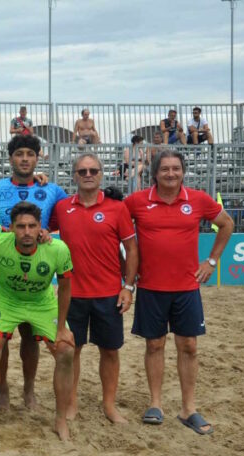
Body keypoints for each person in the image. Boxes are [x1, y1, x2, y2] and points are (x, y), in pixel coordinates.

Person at [124, 149, 233, 435]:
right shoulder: (137, 201)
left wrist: (211, 262)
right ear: (155, 173)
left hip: (186, 288)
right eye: (165, 169)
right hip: (150, 288)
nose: (171, 174)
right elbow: (114, 224)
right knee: (154, 345)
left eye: (176, 168)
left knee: (189, 347)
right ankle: (156, 405)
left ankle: (188, 409)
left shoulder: (198, 199)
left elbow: (227, 224)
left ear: (183, 171)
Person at [49, 154, 139, 425]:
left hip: (109, 294)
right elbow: (39, 229)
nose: (88, 174)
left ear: (101, 174)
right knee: (71, 350)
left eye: (93, 170)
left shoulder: (117, 208)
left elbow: (132, 249)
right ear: (75, 176)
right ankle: (71, 402)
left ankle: (109, 405)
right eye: (82, 170)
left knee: (110, 351)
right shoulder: (62, 207)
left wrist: (129, 287)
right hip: (72, 294)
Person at [0, 201, 74, 439]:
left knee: (65, 351)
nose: (27, 232)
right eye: (20, 226)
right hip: (6, 299)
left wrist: (62, 327)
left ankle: (60, 418)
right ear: (10, 228)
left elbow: (65, 287)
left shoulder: (57, 248)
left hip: (41, 301)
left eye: (32, 226)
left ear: (40, 227)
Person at [0, 134, 67, 410]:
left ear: (38, 157)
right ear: (10, 158)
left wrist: (48, 233)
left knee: (31, 338)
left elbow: (64, 223)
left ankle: (29, 389)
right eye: (19, 153)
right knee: (1, 339)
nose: (24, 159)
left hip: (36, 280)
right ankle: (3, 390)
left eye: (30, 154)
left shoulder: (53, 190)